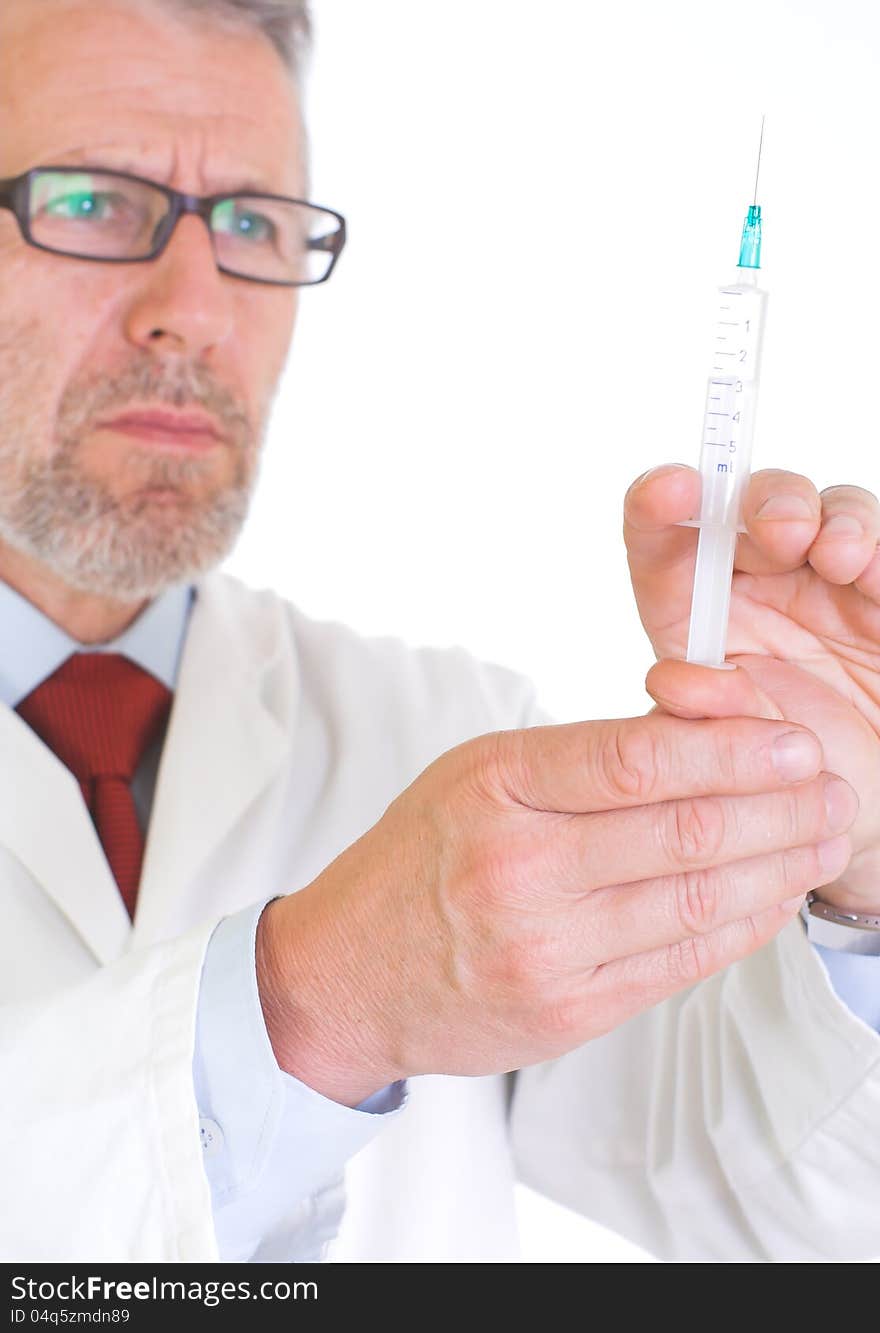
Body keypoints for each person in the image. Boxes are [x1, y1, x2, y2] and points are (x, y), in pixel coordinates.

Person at [0, 0, 878, 1264]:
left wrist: (859, 860)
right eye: (91, 200)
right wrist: (312, 1002)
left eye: (250, 222)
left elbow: (788, 1211)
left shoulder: (436, 734)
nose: (192, 308)